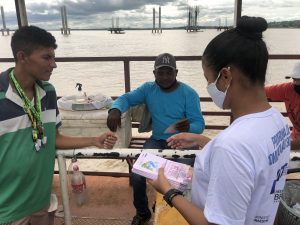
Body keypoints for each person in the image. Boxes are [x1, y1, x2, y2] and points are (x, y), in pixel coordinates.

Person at [149, 16, 291, 225]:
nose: (208, 85)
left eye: (208, 78)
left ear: (225, 76)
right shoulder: (277, 122)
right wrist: (204, 141)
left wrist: (168, 191)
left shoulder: (232, 146)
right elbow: (253, 161)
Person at [0, 26, 117, 225]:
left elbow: (55, 138)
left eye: (54, 57)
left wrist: (93, 140)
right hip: (6, 208)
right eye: (47, 58)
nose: (54, 65)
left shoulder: (48, 92)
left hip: (39, 201)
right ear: (22, 57)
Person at [107, 52, 205, 225]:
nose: (165, 77)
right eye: (161, 72)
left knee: (182, 179)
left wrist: (189, 127)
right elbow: (126, 98)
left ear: (176, 72)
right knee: (138, 172)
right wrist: (115, 109)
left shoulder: (189, 93)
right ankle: (143, 212)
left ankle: (179, 212)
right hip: (157, 140)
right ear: (154, 74)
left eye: (169, 72)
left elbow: (199, 124)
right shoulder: (148, 89)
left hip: (182, 143)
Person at [265, 62, 300, 150]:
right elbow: (261, 91)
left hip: (293, 145)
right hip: (294, 139)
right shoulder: (288, 89)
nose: (295, 83)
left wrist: (283, 147)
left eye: (298, 79)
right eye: (294, 79)